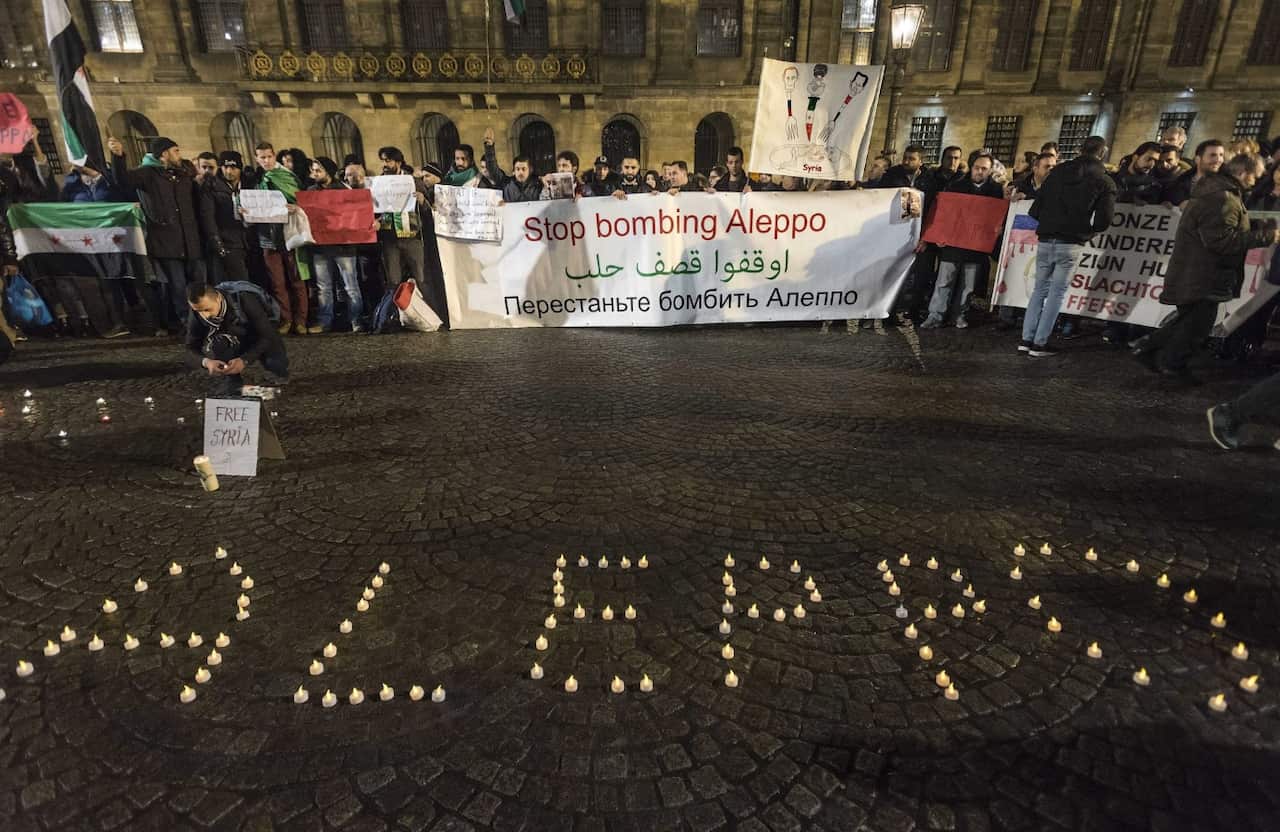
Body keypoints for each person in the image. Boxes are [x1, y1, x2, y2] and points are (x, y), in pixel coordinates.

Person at [1134, 154, 1278, 384]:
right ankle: (1172, 365)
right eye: (1256, 175)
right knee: (1198, 325)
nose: (1257, 180)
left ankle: (1147, 347)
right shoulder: (1223, 198)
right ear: (1242, 173)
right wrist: (1266, 236)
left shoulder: (1219, 193)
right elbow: (1221, 241)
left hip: (1200, 271)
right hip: (1204, 273)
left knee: (1189, 320)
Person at [1019, 135, 1116, 357]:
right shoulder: (1105, 180)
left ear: (1080, 149)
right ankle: (1040, 343)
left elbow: (1035, 210)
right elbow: (1104, 220)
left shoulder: (1057, 174)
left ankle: (1026, 339)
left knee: (1039, 290)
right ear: (1103, 153)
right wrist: (1085, 232)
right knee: (1056, 293)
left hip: (1045, 239)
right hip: (1071, 243)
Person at [109, 136, 211, 334]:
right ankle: (186, 323)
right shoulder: (148, 174)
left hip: (192, 241)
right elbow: (121, 180)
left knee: (198, 284)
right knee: (178, 287)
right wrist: (118, 156)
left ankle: (205, 319)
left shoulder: (184, 174)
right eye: (176, 151)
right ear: (164, 154)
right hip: (167, 243)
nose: (179, 155)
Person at [920, 152, 1004, 330]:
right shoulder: (956, 185)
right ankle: (935, 315)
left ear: (990, 171)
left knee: (968, 285)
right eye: (977, 167)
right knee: (944, 282)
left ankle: (959, 315)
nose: (980, 171)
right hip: (952, 244)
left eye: (984, 169)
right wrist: (938, 236)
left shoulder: (995, 190)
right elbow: (944, 213)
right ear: (971, 167)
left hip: (976, 247)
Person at [376, 146, 448, 326]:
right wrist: (376, 221)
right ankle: (390, 320)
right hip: (390, 239)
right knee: (393, 281)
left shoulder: (413, 182)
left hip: (412, 238)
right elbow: (374, 209)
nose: (385, 164)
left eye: (388, 160)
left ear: (398, 162)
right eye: (383, 161)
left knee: (422, 279)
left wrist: (423, 201)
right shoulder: (378, 183)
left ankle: (436, 318)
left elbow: (429, 211)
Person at [185, 282, 288, 396]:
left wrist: (245, 360)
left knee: (275, 363)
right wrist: (206, 362)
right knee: (219, 341)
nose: (205, 316)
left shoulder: (245, 299)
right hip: (233, 338)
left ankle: (279, 372)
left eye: (208, 309)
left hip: (259, 335)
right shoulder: (198, 310)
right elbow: (190, 347)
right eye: (199, 311)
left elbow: (267, 336)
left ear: (219, 298)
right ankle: (232, 379)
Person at [251, 142, 308, 335]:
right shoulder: (254, 176)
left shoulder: (286, 176)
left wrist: (296, 206)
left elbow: (301, 199)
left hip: (289, 233)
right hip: (267, 235)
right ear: (256, 158)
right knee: (277, 282)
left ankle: (301, 320)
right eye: (262, 157)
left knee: (296, 278)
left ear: (274, 156)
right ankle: (285, 319)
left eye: (269, 156)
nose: (266, 160)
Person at [307, 157, 366, 332]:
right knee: (323, 287)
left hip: (344, 247)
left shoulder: (344, 190)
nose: (315, 174)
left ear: (329, 172)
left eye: (319, 171)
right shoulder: (310, 192)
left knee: (351, 287)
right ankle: (325, 321)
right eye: (313, 171)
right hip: (320, 247)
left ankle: (356, 320)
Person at [202, 151, 251, 284]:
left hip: (249, 241)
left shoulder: (249, 185)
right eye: (225, 167)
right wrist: (218, 243)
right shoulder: (212, 187)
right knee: (240, 283)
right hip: (228, 242)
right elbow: (208, 217)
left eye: (233, 167)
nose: (229, 171)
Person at [481, 127, 542, 202]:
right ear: (513, 171)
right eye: (517, 169)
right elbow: (493, 169)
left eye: (524, 169)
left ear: (530, 170)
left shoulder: (538, 185)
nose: (520, 172)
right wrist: (489, 147)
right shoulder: (506, 184)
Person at [1163, 139, 1225, 207]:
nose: (1218, 160)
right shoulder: (1178, 183)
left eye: (1221, 155)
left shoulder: (1228, 186)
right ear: (1197, 159)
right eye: (1212, 155)